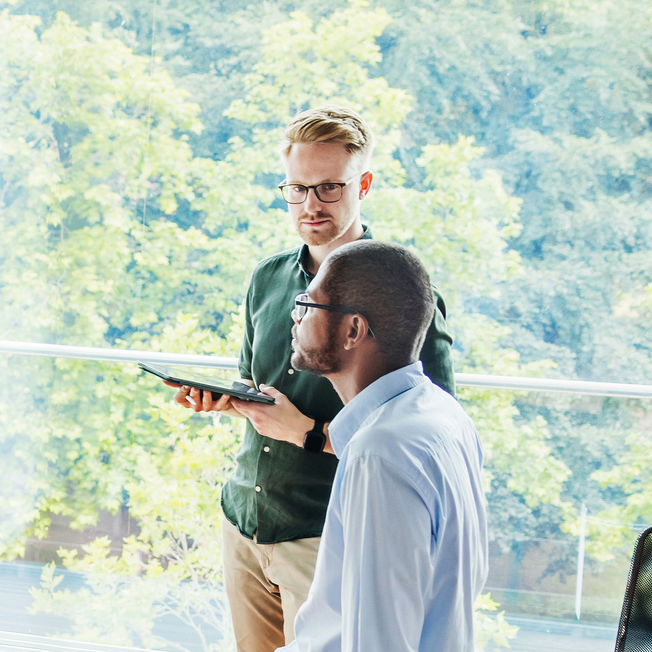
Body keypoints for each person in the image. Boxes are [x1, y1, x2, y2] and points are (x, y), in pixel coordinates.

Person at [164, 105, 454, 652]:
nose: (310, 206)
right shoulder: (267, 278)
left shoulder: (403, 297)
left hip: (325, 537)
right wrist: (227, 402)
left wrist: (306, 431)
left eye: (327, 188)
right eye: (296, 189)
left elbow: (428, 439)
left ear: (363, 183)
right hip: (244, 521)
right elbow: (260, 390)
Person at [266, 240, 489, 651]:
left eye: (308, 304)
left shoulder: (380, 453)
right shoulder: (442, 414)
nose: (294, 318)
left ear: (353, 330)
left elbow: (378, 643)